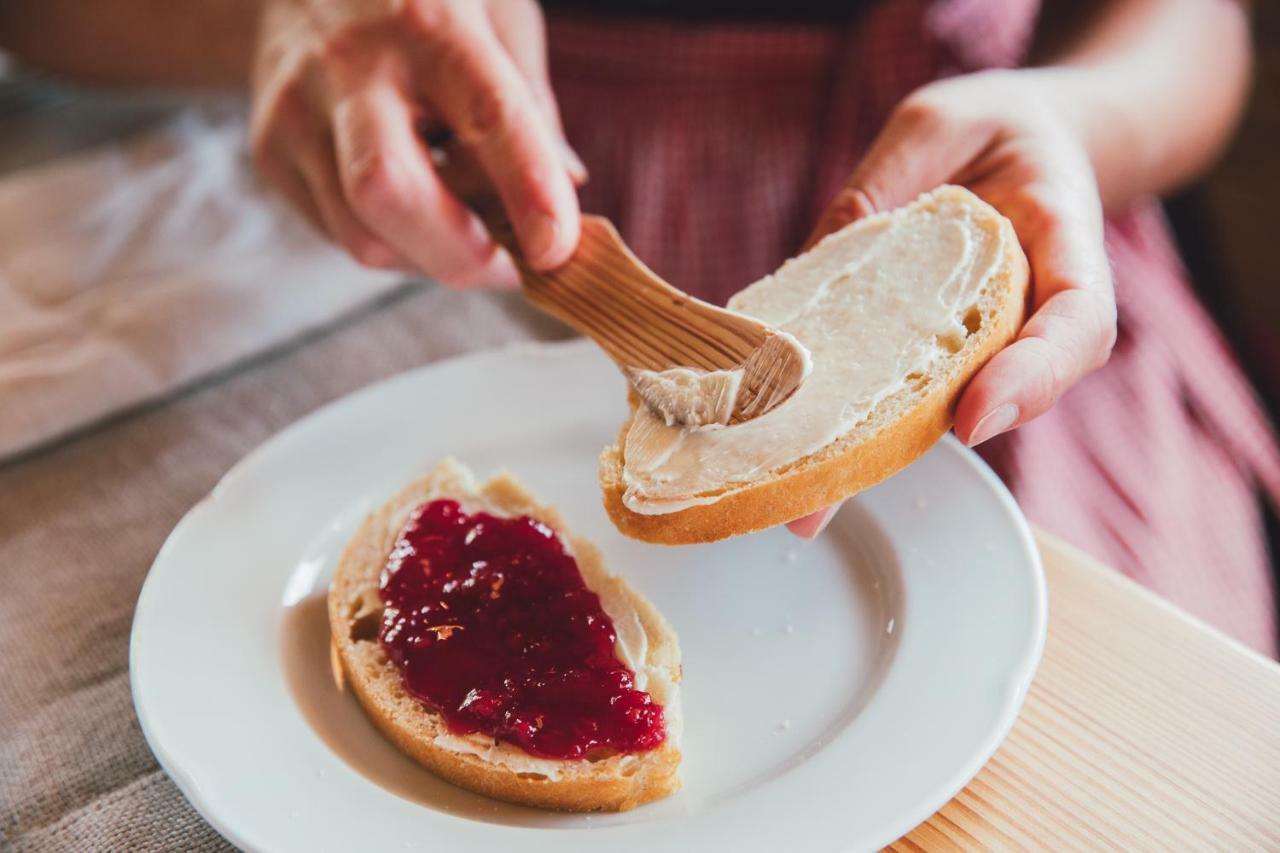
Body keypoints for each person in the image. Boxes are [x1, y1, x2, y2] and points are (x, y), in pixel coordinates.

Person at [3, 0, 1276, 655]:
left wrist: (1076, 118)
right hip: (438, 212)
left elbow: (1190, 26)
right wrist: (276, 14)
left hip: (1003, 245)